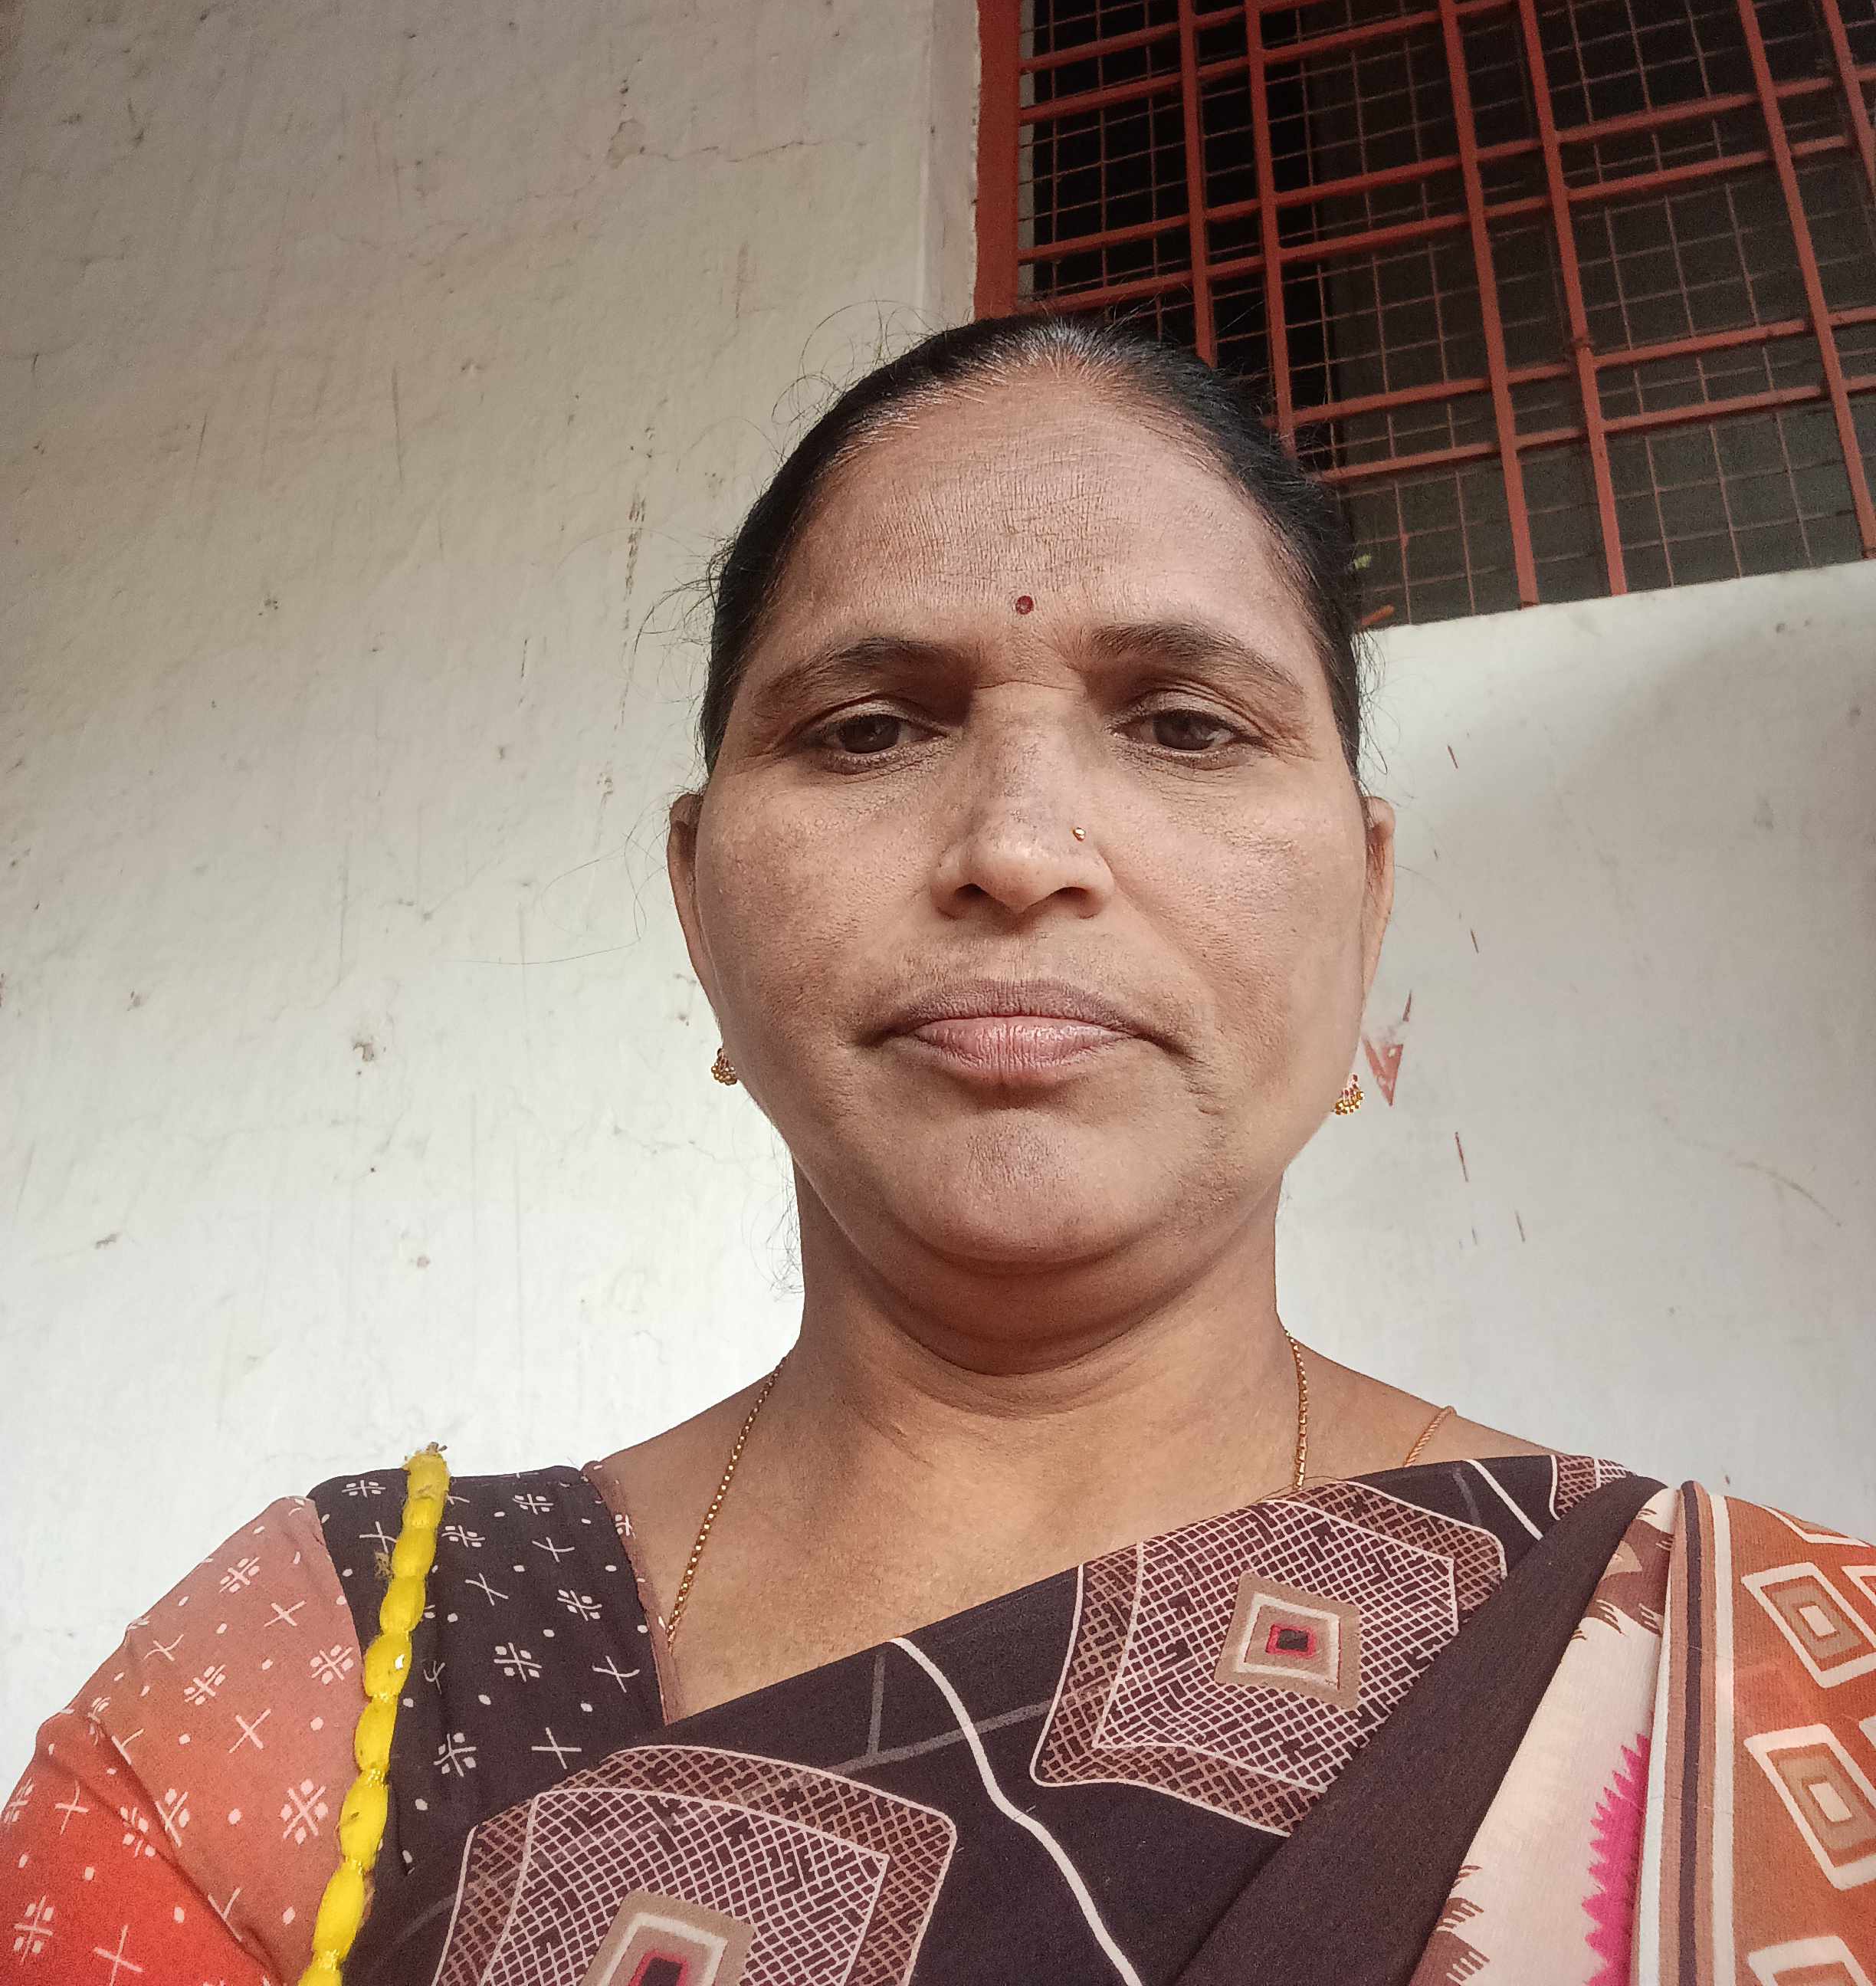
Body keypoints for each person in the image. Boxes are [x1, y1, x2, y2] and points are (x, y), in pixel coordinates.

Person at [6, 315, 1871, 1986]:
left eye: (1186, 725)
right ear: (696, 904)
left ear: (1369, 899)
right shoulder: (335, 1677)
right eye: (869, 728)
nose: (1018, 847)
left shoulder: (1773, 1676)